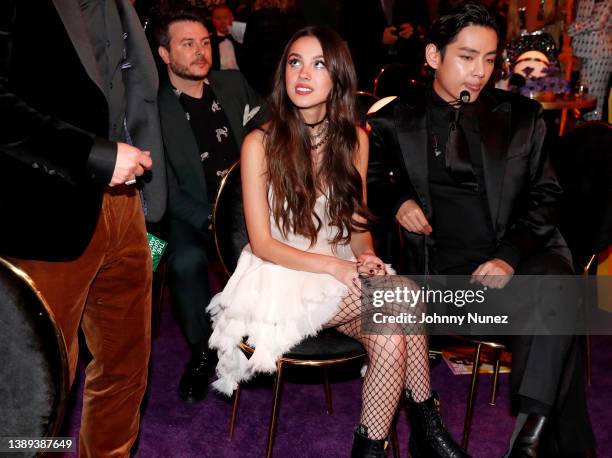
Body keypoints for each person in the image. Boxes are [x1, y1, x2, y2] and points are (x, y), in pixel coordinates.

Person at [207, 26, 468, 457]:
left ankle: (376, 448)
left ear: (339, 78)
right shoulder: (261, 142)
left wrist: (365, 257)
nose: (303, 74)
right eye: (295, 62)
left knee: (390, 331)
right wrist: (336, 266)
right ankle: (427, 428)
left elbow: (357, 225)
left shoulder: (355, 140)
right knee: (403, 299)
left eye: (318, 64)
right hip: (278, 281)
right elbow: (263, 243)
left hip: (335, 280)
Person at [367, 2, 595, 456]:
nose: (480, 72)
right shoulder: (393, 121)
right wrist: (397, 201)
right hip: (442, 284)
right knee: (558, 314)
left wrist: (508, 257)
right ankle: (560, 441)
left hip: (515, 264)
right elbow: (367, 183)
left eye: (489, 59)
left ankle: (527, 440)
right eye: (467, 57)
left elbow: (546, 197)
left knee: (555, 282)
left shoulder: (522, 118)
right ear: (433, 56)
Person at [0, 0, 167, 456]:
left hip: (125, 203)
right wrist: (90, 155)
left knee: (126, 366)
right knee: (40, 387)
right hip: (42, 211)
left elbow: (136, 87)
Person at [154, 6, 267, 403]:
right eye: (188, 44)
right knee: (184, 262)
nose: (201, 52)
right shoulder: (154, 109)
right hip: (190, 213)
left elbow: (268, 120)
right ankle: (203, 352)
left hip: (245, 207)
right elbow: (162, 187)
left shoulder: (232, 83)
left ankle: (263, 343)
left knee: (278, 247)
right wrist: (210, 219)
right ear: (165, 54)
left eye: (205, 42)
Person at [210, 4, 245, 71]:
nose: (222, 22)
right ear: (213, 21)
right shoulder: (209, 40)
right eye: (218, 18)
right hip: (218, 77)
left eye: (225, 17)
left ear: (232, 18)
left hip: (242, 77)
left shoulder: (241, 34)